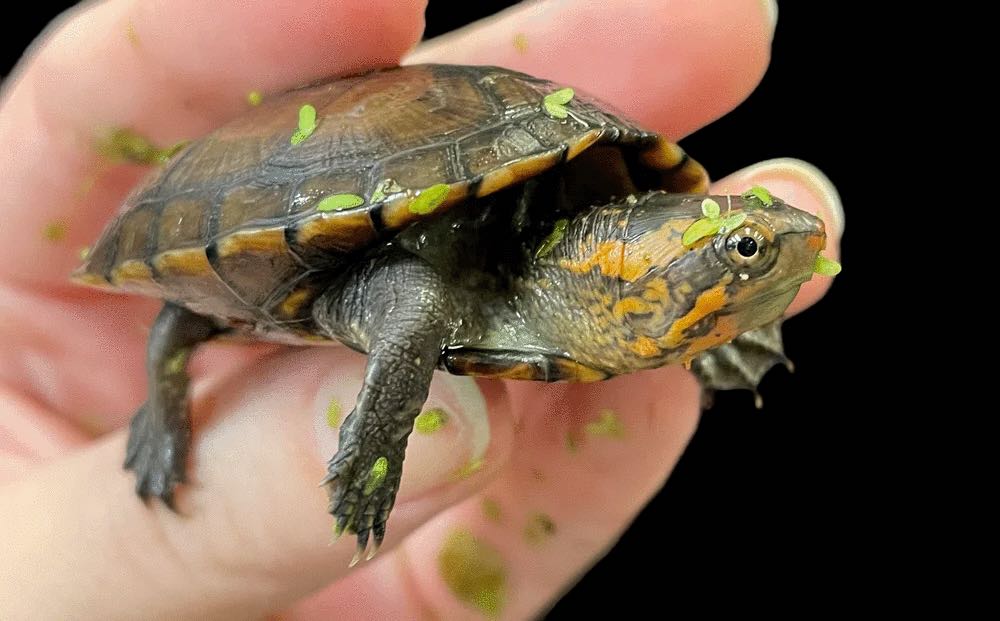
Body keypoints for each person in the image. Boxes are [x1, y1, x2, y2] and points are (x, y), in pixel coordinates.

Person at [0, 1, 842, 618]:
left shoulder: (605, 202)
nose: (783, 246)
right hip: (307, 224)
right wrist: (374, 448)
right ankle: (170, 401)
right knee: (391, 300)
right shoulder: (434, 280)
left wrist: (731, 308)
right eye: (744, 253)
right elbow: (410, 296)